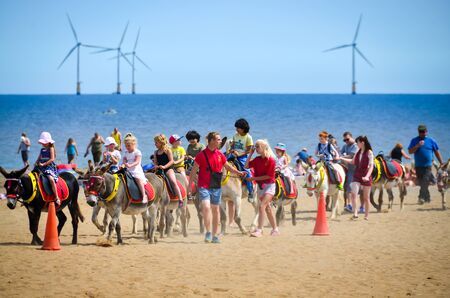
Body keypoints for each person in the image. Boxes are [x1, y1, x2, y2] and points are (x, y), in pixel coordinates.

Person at [188, 132, 245, 243]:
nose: (220, 141)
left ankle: (214, 235)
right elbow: (194, 170)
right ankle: (208, 232)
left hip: (216, 186)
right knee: (205, 207)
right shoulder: (201, 155)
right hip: (204, 185)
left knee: (215, 210)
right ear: (212, 141)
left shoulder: (220, 155)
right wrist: (189, 185)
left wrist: (238, 172)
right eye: (218, 139)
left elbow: (227, 166)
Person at [245, 139, 279, 237]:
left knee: (261, 206)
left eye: (257, 146)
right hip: (260, 187)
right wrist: (250, 154)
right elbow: (246, 166)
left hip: (270, 186)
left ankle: (259, 230)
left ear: (264, 147)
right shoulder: (257, 159)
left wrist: (253, 178)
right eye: (255, 146)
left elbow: (269, 176)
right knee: (267, 208)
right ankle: (275, 229)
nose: (255, 148)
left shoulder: (271, 160)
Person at [338, 136, 374, 220]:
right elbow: (352, 162)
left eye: (357, 142)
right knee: (354, 194)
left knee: (366, 198)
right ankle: (355, 213)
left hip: (366, 175)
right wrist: (341, 158)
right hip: (357, 175)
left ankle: (366, 215)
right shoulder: (358, 151)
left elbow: (371, 166)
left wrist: (367, 176)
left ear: (362, 143)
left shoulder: (369, 152)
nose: (356, 144)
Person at [408, 124, 443, 204]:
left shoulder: (431, 141)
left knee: (425, 181)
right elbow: (410, 151)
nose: (422, 133)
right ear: (418, 132)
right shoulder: (414, 140)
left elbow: (437, 152)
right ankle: (427, 198)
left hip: (428, 165)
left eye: (423, 131)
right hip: (418, 166)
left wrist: (441, 162)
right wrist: (417, 146)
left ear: (426, 131)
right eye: (420, 131)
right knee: (422, 182)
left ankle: (421, 198)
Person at [153, 134, 184, 207]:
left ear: (161, 142)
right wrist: (156, 166)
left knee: (173, 181)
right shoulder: (155, 152)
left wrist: (164, 167)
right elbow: (155, 162)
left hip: (168, 169)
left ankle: (180, 199)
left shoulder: (167, 150)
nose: (155, 144)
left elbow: (171, 161)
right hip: (159, 169)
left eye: (156, 142)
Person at [229, 118, 254, 200]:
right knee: (222, 162)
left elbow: (249, 150)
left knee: (247, 172)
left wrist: (239, 154)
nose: (236, 129)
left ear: (243, 128)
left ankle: (251, 192)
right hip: (234, 154)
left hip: (243, 156)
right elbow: (233, 145)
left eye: (238, 128)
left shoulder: (248, 137)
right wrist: (232, 149)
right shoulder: (235, 135)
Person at [35, 132, 60, 205]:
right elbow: (39, 158)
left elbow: (52, 159)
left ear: (49, 142)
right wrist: (36, 163)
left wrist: (44, 164)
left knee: (51, 179)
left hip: (49, 167)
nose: (43, 144)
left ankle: (56, 197)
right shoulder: (42, 150)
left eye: (44, 142)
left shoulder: (51, 148)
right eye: (42, 142)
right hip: (41, 166)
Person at [122, 133, 147, 204]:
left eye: (129, 145)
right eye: (126, 146)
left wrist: (130, 165)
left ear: (134, 144)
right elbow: (124, 159)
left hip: (135, 169)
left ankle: (143, 195)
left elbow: (137, 161)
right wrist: (124, 164)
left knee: (138, 179)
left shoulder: (137, 152)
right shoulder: (126, 152)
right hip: (128, 168)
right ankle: (126, 196)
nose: (127, 147)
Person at [340, 132, 358, 212]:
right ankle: (349, 204)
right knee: (348, 187)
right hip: (349, 169)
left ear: (351, 137)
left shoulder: (356, 145)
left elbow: (351, 156)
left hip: (357, 169)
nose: (346, 141)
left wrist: (341, 157)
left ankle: (361, 207)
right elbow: (340, 153)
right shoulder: (345, 146)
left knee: (359, 189)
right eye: (344, 140)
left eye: (347, 139)